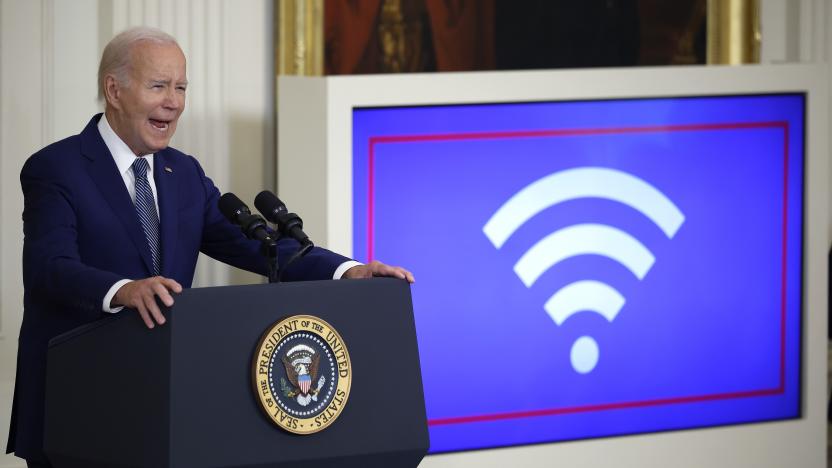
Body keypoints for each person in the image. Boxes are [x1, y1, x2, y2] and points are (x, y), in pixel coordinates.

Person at [6, 27, 413, 468]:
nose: (175, 102)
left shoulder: (183, 173)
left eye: (181, 88)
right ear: (114, 90)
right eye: (159, 86)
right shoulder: (57, 167)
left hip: (164, 412)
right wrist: (125, 289)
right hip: (79, 409)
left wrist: (348, 271)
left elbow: (259, 246)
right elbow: (50, 267)